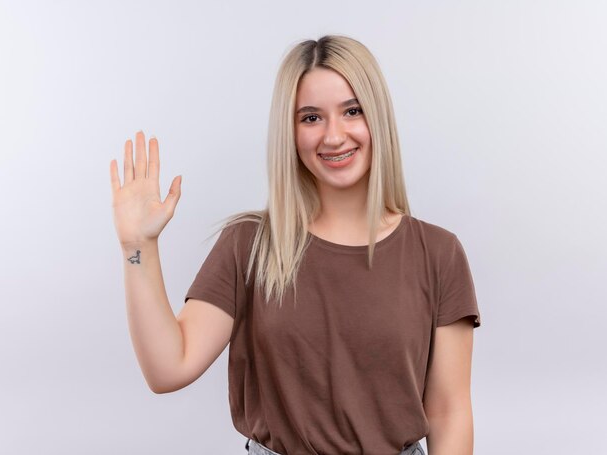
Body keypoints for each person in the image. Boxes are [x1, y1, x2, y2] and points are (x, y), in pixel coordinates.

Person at [110, 35, 481, 455]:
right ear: (290, 131)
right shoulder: (248, 246)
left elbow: (449, 411)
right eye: (310, 118)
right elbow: (167, 369)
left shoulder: (437, 253)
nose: (334, 136)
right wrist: (137, 246)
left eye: (352, 111)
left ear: (378, 117)